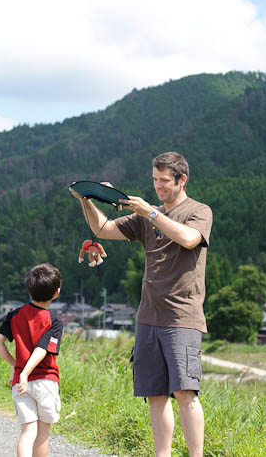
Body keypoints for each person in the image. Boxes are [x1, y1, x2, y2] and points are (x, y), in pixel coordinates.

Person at [70, 152, 212, 457]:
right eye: (154, 180)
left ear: (181, 179)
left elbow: (189, 239)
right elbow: (102, 230)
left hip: (181, 316)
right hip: (148, 316)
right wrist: (88, 198)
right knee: (154, 394)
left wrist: (151, 214)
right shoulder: (145, 216)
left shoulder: (198, 211)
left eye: (164, 181)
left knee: (185, 392)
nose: (158, 186)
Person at [0, 263, 64, 457]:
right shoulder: (53, 320)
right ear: (56, 292)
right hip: (45, 382)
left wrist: (18, 368)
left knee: (27, 432)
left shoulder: (15, 315)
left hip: (20, 385)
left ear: (29, 289)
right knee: (42, 434)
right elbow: (42, 349)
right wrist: (24, 372)